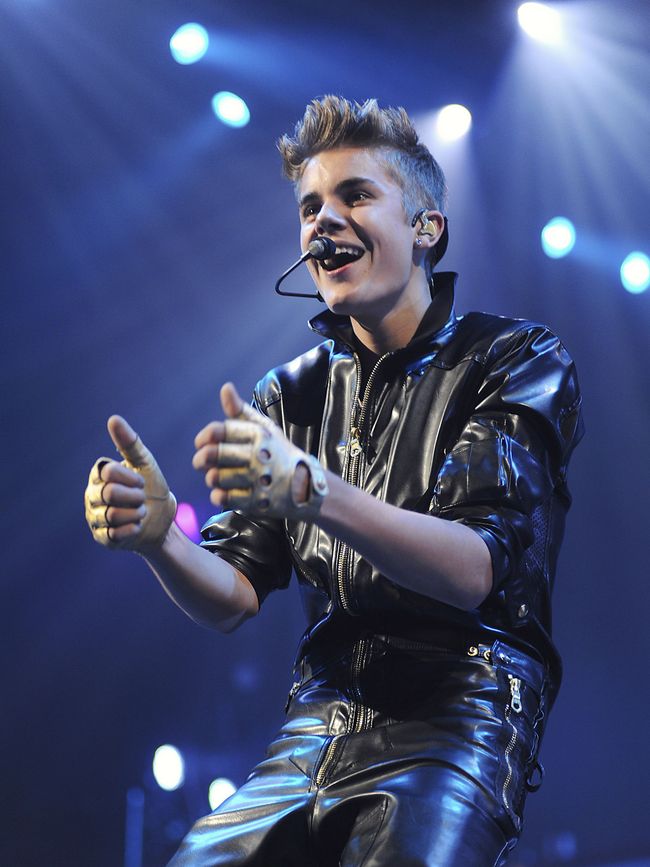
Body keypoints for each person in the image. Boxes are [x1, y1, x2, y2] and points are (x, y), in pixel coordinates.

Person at [84, 96, 583, 866]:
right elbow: (235, 594)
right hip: (315, 725)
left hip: (460, 714)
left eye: (355, 194)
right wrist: (160, 543)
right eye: (310, 206)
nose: (323, 220)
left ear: (426, 227)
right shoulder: (289, 394)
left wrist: (312, 489)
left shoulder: (515, 359)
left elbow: (472, 570)